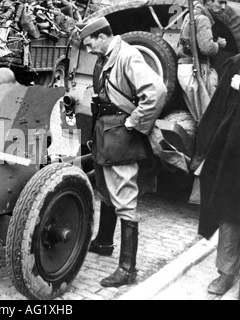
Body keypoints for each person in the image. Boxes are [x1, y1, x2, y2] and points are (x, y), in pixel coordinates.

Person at [78, 17, 167, 287]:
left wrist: (134, 121)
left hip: (121, 134)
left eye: (89, 42)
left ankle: (128, 270)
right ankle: (104, 241)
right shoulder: (107, 55)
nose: (88, 48)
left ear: (103, 36)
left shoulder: (128, 55)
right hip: (105, 132)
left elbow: (156, 90)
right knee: (105, 188)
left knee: (125, 196)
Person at [195, 54, 240, 296]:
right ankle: (227, 271)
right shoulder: (236, 65)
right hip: (236, 154)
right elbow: (217, 110)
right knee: (231, 210)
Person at [177, 0, 227, 123]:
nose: (223, 7)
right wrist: (218, 44)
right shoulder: (203, 19)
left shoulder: (192, 15)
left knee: (201, 117)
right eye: (220, 2)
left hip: (186, 67)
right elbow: (207, 48)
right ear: (208, 1)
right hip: (195, 69)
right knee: (207, 119)